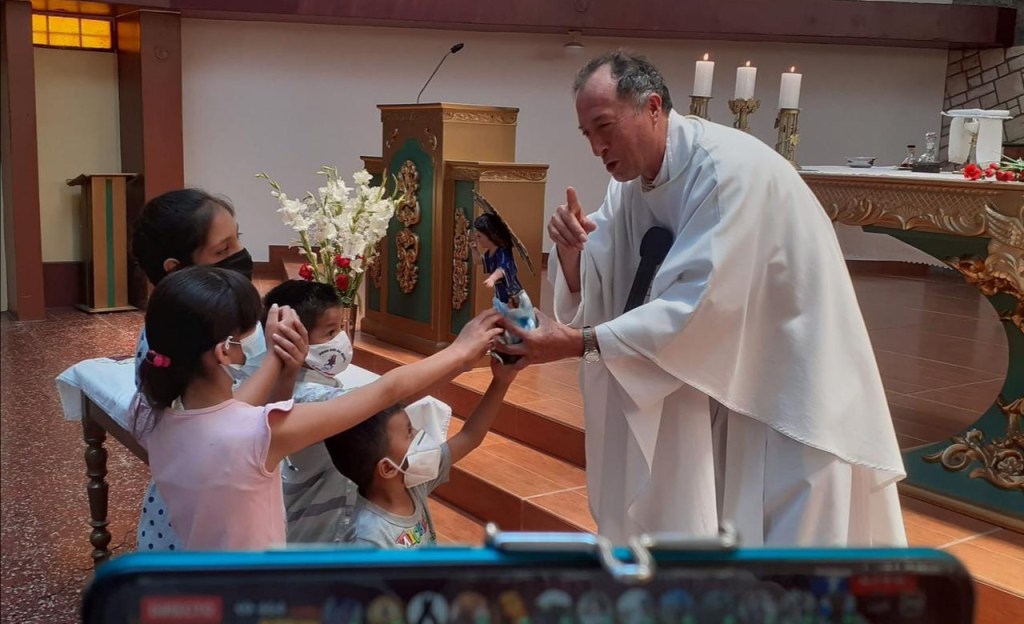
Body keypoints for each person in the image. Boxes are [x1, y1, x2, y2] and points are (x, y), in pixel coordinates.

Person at [496, 50, 906, 546]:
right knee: (734, 511)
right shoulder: (631, 185)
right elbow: (609, 270)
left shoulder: (723, 172)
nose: (597, 147)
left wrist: (578, 342)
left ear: (652, 107)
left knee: (793, 519)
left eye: (604, 127)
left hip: (790, 370)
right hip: (730, 367)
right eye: (587, 134)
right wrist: (570, 250)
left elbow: (698, 306)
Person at [133, 266, 501, 550]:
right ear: (225, 350)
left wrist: (279, 362)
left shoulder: (157, 416)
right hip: (256, 594)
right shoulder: (256, 433)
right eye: (250, 334)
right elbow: (387, 392)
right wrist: (460, 351)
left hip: (205, 582)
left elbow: (242, 406)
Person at [130, 188, 308, 552]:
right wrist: (275, 362)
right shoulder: (170, 343)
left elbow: (260, 415)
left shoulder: (232, 322)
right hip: (195, 525)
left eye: (238, 239)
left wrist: (286, 367)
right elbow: (221, 423)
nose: (241, 255)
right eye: (223, 250)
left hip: (240, 501)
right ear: (176, 269)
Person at [324, 358, 517, 548]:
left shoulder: (412, 485)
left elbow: (470, 436)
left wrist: (501, 381)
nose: (419, 433)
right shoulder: (368, 539)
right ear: (388, 468)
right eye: (409, 432)